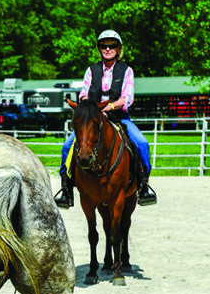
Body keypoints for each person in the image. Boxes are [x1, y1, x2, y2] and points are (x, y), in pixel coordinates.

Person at [54, 29, 157, 209]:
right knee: (67, 146)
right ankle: (66, 189)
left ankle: (143, 186)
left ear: (119, 49)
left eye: (112, 46)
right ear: (99, 48)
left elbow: (127, 98)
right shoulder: (91, 70)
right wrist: (92, 109)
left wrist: (110, 106)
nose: (108, 49)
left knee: (142, 143)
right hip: (93, 119)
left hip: (119, 118)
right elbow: (84, 94)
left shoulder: (126, 70)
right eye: (104, 45)